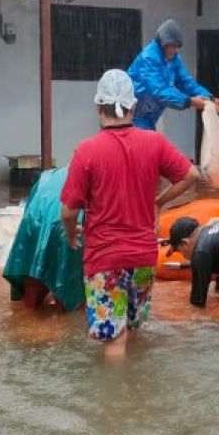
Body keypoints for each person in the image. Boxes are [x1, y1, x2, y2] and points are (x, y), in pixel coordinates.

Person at [60, 69, 200, 355]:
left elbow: (67, 211)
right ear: (133, 107)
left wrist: (70, 232)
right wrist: (159, 202)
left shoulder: (87, 151)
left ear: (99, 107)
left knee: (114, 340)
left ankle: (118, 400)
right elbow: (191, 175)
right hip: (143, 257)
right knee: (133, 331)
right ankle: (139, 396)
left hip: (105, 258)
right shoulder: (154, 143)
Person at [3, 166, 84, 312]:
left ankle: (28, 314)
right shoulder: (92, 175)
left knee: (35, 271)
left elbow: (30, 207)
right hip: (66, 226)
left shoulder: (48, 175)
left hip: (34, 226)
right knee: (69, 301)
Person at [127, 18, 219, 130]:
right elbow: (159, 91)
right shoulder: (148, 59)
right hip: (132, 117)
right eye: (172, 46)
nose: (175, 50)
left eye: (177, 47)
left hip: (151, 118)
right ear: (163, 43)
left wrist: (211, 99)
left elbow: (186, 82)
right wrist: (189, 101)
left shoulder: (173, 59)